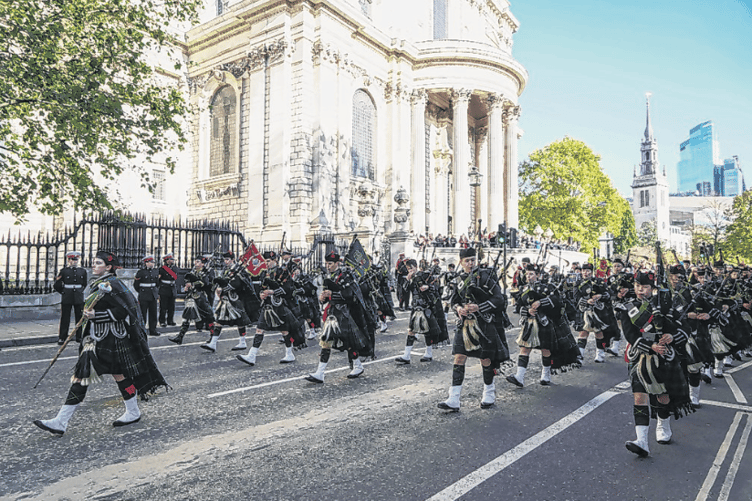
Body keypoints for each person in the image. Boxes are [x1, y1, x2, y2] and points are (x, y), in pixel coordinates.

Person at [33, 251, 169, 436]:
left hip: (111, 338)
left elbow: (124, 311)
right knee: (99, 375)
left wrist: (97, 315)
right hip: (98, 338)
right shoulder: (98, 283)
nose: (93, 265)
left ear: (108, 267)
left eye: (98, 263)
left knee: (98, 376)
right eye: (94, 262)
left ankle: (63, 421)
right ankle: (62, 421)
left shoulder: (113, 284)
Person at [621, 271, 693, 457]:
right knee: (639, 396)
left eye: (644, 287)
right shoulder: (628, 307)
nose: (640, 290)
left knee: (662, 396)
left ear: (652, 289)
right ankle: (642, 440)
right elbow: (630, 334)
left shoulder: (666, 305)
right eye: (637, 286)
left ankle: (663, 424)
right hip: (641, 355)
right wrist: (651, 346)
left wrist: (672, 337)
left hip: (664, 355)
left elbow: (684, 326)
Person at [437, 247, 509, 411]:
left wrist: (480, 307)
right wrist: (458, 309)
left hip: (483, 323)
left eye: (472, 260)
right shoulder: (458, 279)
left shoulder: (486, 276)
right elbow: (454, 301)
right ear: (461, 262)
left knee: (485, 359)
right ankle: (454, 398)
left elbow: (499, 299)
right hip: (465, 325)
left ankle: (489, 393)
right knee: (459, 358)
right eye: (467, 261)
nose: (470, 263)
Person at [506, 264, 581, 388]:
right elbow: (518, 306)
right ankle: (519, 377)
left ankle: (546, 375)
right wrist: (528, 311)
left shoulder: (547, 287)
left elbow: (557, 301)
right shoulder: (523, 289)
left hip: (545, 322)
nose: (528, 276)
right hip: (530, 323)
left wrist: (541, 302)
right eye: (527, 274)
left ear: (538, 275)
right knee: (524, 348)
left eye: (531, 274)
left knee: (545, 349)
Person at [305, 250, 371, 383]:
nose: (328, 266)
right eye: (326, 263)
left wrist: (332, 294)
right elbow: (326, 298)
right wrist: (322, 298)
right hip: (333, 313)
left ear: (337, 263)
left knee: (344, 342)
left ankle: (354, 366)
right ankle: (322, 373)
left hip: (344, 313)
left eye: (330, 263)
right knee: (330, 341)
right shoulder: (328, 277)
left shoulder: (345, 276)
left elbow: (351, 296)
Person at [236, 251, 306, 366]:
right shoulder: (265, 273)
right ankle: (252, 355)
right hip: (267, 305)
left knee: (284, 331)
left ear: (275, 261)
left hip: (279, 305)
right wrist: (262, 294)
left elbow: (288, 288)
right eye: (265, 261)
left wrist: (273, 292)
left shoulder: (282, 272)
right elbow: (262, 288)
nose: (266, 263)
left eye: (268, 261)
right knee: (259, 329)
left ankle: (289, 353)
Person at [395, 259, 447, 364]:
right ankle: (406, 356)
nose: (410, 270)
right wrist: (408, 280)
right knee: (411, 330)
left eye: (411, 268)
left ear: (416, 266)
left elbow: (437, 287)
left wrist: (428, 286)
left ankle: (428, 353)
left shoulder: (425, 275)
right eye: (408, 269)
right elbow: (404, 291)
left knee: (427, 331)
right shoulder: (410, 278)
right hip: (415, 307)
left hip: (426, 306)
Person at [201, 250, 253, 353]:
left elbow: (238, 284)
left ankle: (242, 342)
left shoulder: (240, 270)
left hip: (236, 298)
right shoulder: (227, 270)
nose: (226, 261)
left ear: (233, 259)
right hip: (226, 299)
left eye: (228, 259)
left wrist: (224, 289)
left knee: (240, 321)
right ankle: (213, 343)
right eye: (225, 259)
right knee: (219, 320)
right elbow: (225, 281)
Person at [169, 255, 216, 345]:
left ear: (203, 264)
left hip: (202, 297)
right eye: (196, 261)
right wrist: (187, 284)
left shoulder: (209, 271)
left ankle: (213, 338)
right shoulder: (193, 270)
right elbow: (187, 278)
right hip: (192, 296)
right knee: (187, 316)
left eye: (198, 262)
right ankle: (180, 337)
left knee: (209, 317)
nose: (196, 263)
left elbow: (207, 283)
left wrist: (193, 284)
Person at [53, 251, 88, 345]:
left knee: (80, 317)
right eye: (72, 260)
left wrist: (79, 291)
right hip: (67, 296)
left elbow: (84, 284)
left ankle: (79, 336)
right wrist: (64, 292)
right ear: (68, 260)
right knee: (65, 317)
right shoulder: (64, 271)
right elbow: (57, 285)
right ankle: (62, 337)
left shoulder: (82, 271)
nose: (74, 262)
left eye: (76, 260)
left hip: (78, 296)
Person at [133, 255, 160, 337]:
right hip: (144, 295)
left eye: (153, 262)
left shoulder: (156, 271)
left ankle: (153, 330)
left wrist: (156, 292)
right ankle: (142, 330)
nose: (152, 264)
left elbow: (157, 284)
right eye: (151, 262)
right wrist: (141, 292)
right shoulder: (140, 272)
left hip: (153, 295)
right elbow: (136, 285)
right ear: (146, 263)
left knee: (153, 314)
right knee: (142, 314)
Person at [158, 253, 178, 327]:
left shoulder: (175, 268)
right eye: (171, 259)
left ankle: (170, 320)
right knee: (163, 307)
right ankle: (162, 321)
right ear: (166, 260)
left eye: (172, 259)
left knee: (171, 306)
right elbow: (159, 280)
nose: (172, 260)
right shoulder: (162, 269)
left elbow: (175, 278)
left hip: (172, 289)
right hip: (164, 289)